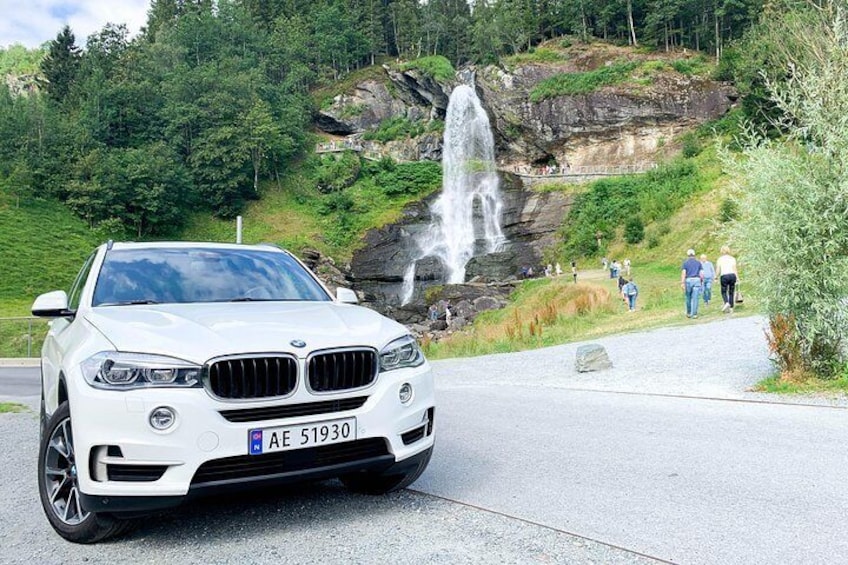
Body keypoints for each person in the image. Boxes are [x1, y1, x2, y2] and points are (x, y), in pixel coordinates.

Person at [715, 245, 739, 314]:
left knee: (723, 291)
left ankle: (726, 302)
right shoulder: (732, 258)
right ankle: (731, 307)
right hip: (732, 275)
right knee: (731, 291)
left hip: (724, 275)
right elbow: (734, 269)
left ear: (722, 251)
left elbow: (718, 269)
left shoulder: (720, 259)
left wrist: (716, 277)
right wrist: (737, 277)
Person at [681, 248, 703, 318]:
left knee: (688, 297)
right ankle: (695, 314)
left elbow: (683, 273)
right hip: (697, 280)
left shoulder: (685, 263)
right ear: (694, 255)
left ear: (688, 255)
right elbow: (702, 273)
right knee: (695, 297)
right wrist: (701, 281)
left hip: (688, 280)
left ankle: (689, 312)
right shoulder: (698, 263)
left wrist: (682, 283)